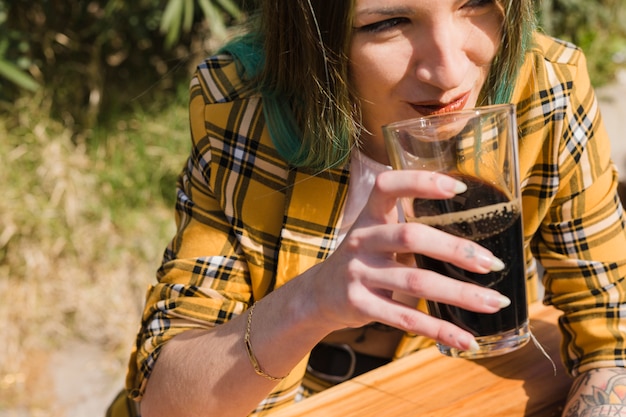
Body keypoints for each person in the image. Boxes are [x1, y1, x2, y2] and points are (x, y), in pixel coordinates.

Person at [106, 1, 626, 416]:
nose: (448, 70)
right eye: (389, 22)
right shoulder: (244, 107)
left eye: (477, 3)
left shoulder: (547, 87)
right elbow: (165, 401)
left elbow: (612, 339)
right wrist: (310, 302)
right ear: (316, 35)